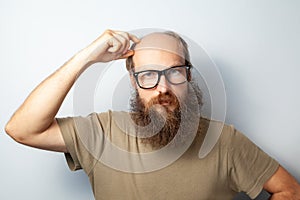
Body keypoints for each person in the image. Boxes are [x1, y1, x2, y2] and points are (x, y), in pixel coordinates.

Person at [5, 29, 300, 200]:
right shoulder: (101, 131)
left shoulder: (224, 140)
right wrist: (87, 57)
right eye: (148, 75)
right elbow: (22, 129)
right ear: (134, 81)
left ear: (189, 76)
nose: (163, 88)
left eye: (174, 72)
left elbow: (290, 190)